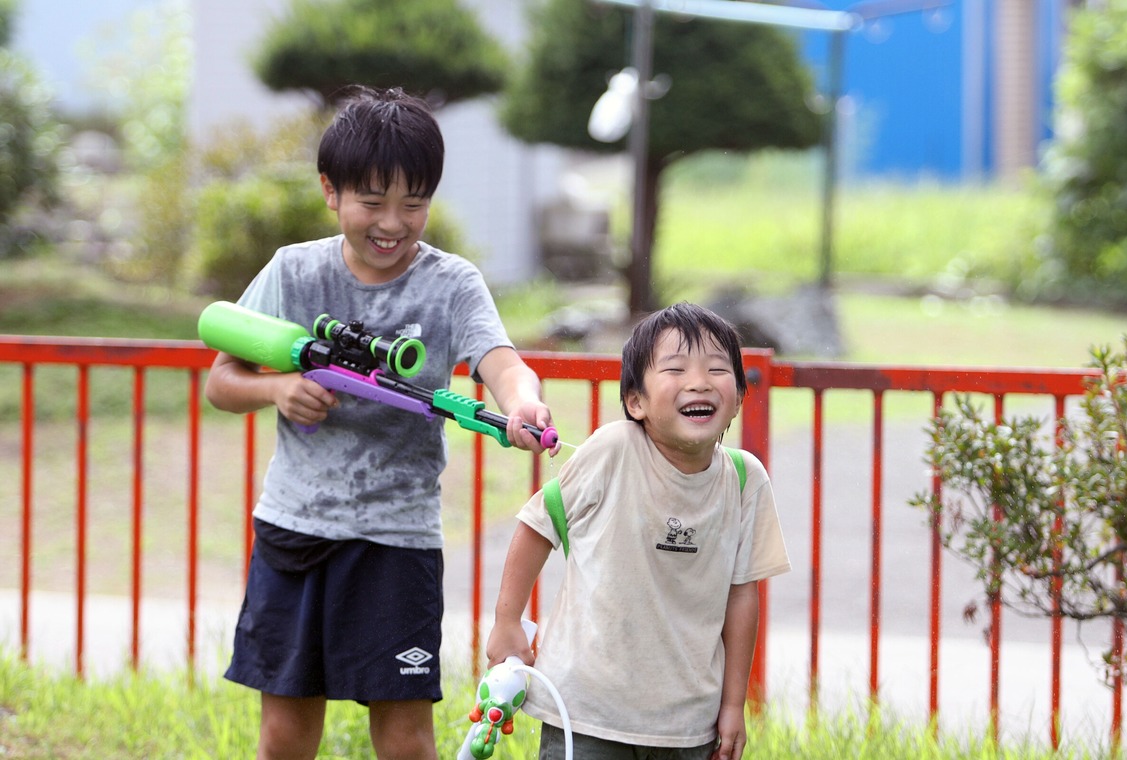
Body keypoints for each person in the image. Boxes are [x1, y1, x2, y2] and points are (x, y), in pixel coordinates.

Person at [204, 85, 557, 760]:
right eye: (372, 201)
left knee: (404, 738)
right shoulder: (293, 272)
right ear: (330, 191)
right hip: (295, 530)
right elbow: (222, 380)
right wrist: (279, 388)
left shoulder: (452, 284)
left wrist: (522, 403)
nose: (393, 222)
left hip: (398, 542)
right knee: (283, 734)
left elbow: (503, 364)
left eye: (414, 203)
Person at [485, 302, 790, 760]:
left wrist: (732, 704)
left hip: (689, 724)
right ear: (636, 402)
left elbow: (742, 595)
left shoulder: (746, 480)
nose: (699, 381)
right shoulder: (614, 448)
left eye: (717, 368)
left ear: (740, 396)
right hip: (585, 713)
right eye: (675, 368)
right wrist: (508, 623)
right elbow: (538, 527)